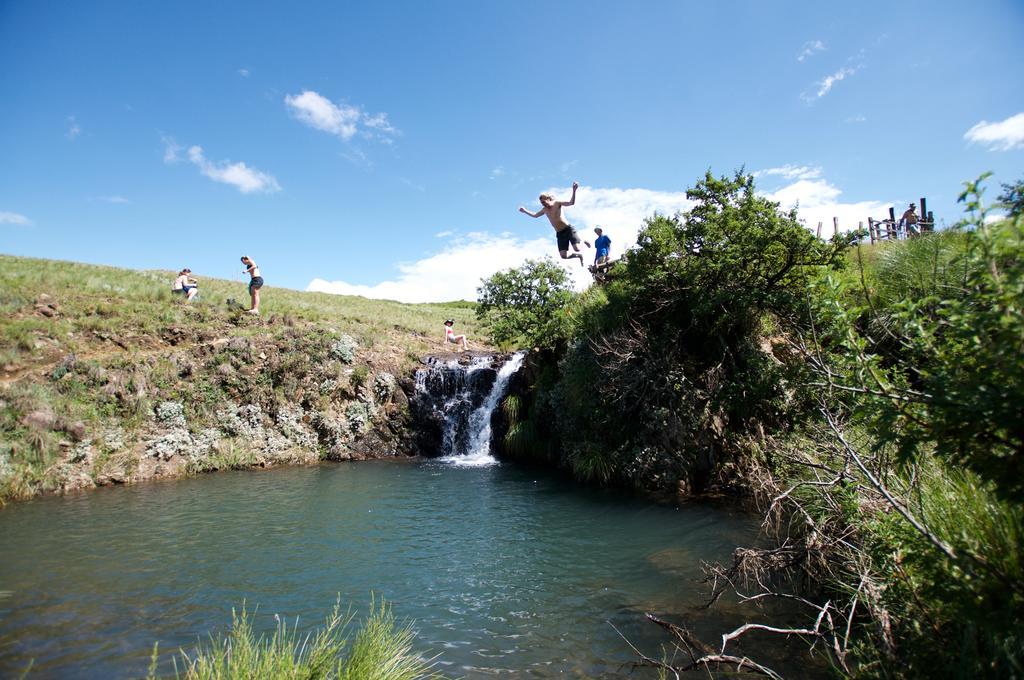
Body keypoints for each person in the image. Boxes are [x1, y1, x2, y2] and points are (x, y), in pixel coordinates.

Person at [519, 181, 591, 266]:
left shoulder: (557, 203)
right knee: (563, 256)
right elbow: (535, 215)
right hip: (559, 233)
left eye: (544, 202)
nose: (543, 204)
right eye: (541, 203)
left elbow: (571, 203)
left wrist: (574, 190)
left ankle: (583, 241)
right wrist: (525, 211)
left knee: (577, 248)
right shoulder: (544, 210)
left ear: (548, 199)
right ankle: (578, 256)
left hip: (568, 229)